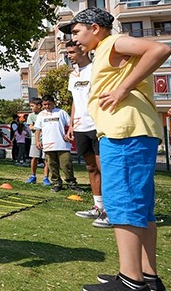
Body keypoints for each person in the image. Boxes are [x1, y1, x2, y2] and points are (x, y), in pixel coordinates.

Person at [63, 7, 169, 291]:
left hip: (125, 131)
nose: (74, 39)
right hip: (132, 130)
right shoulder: (106, 50)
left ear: (95, 27)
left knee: (124, 204)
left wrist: (123, 89)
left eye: (76, 32)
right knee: (141, 208)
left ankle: (130, 281)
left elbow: (160, 49)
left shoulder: (113, 42)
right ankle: (147, 276)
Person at [65, 40, 111, 228]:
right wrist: (71, 124)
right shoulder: (73, 75)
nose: (69, 55)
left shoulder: (96, 69)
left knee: (104, 168)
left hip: (98, 125)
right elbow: (75, 101)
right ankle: (98, 206)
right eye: (67, 52)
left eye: (72, 52)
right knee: (91, 168)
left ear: (83, 51)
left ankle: (112, 209)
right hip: (80, 127)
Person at [34, 94, 81, 193]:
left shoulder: (61, 112)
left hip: (62, 145)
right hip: (48, 145)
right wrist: (37, 141)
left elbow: (70, 125)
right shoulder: (41, 115)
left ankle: (71, 184)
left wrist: (69, 134)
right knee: (52, 166)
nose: (47, 106)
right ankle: (56, 184)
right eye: (44, 105)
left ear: (53, 103)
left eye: (49, 104)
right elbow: (38, 129)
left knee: (66, 165)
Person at [25, 98, 50, 185]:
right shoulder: (31, 116)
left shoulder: (46, 114)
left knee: (46, 159)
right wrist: (39, 127)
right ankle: (33, 176)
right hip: (34, 141)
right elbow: (31, 127)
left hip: (46, 140)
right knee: (34, 158)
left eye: (32, 106)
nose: (31, 108)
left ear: (39, 106)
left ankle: (46, 178)